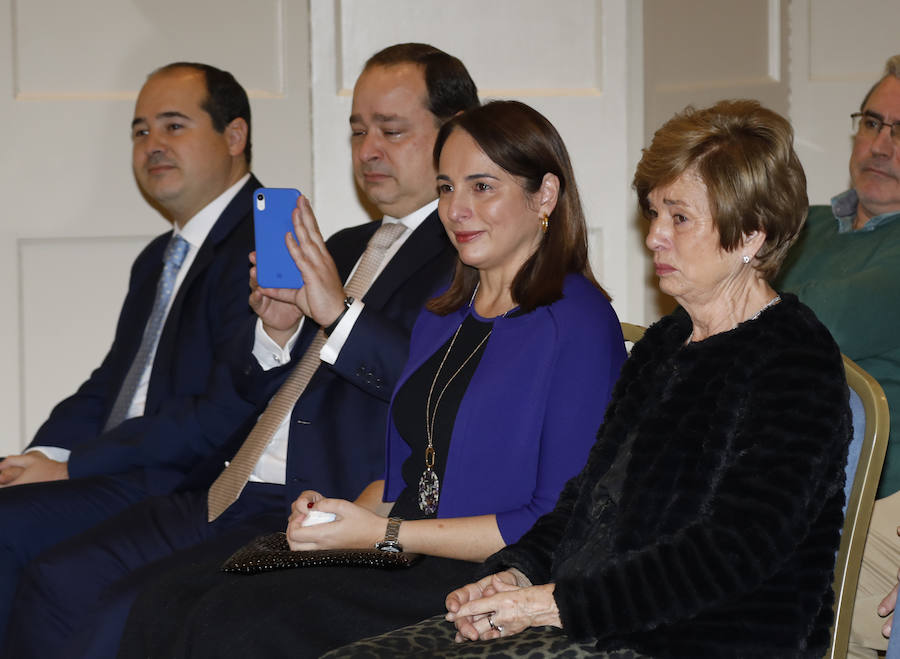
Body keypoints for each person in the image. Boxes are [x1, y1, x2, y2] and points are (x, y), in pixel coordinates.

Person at [0, 43, 475, 659]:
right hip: (232, 483)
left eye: (391, 130)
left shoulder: (463, 254)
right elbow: (251, 384)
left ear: (453, 134)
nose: (368, 150)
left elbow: (436, 390)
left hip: (316, 499)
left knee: (127, 614)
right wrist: (276, 332)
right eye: (358, 130)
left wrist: (338, 314)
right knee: (59, 583)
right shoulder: (346, 242)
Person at [334, 99, 852, 659]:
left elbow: (731, 552)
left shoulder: (793, 360)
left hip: (704, 638)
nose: (654, 237)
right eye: (653, 214)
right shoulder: (665, 345)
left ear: (752, 233)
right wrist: (514, 576)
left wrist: (551, 605)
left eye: (679, 218)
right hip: (601, 621)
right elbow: (586, 502)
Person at [116, 99, 626, 659]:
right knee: (166, 600)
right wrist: (338, 517)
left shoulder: (576, 321)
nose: (456, 209)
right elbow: (402, 478)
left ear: (544, 195)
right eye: (446, 187)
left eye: (482, 187)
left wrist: (380, 535)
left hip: (487, 574)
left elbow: (556, 518)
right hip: (405, 551)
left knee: (235, 625)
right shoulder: (443, 314)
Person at [0, 61, 262, 647]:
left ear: (235, 136)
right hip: (127, 468)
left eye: (173, 126)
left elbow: (227, 411)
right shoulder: (159, 258)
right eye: (141, 132)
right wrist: (39, 454)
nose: (153, 146)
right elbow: (111, 383)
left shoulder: (263, 244)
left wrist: (75, 468)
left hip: (188, 485)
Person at [777, 55, 900, 659]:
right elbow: (691, 324)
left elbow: (822, 324)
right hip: (766, 481)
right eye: (872, 122)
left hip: (877, 502)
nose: (880, 145)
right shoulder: (805, 225)